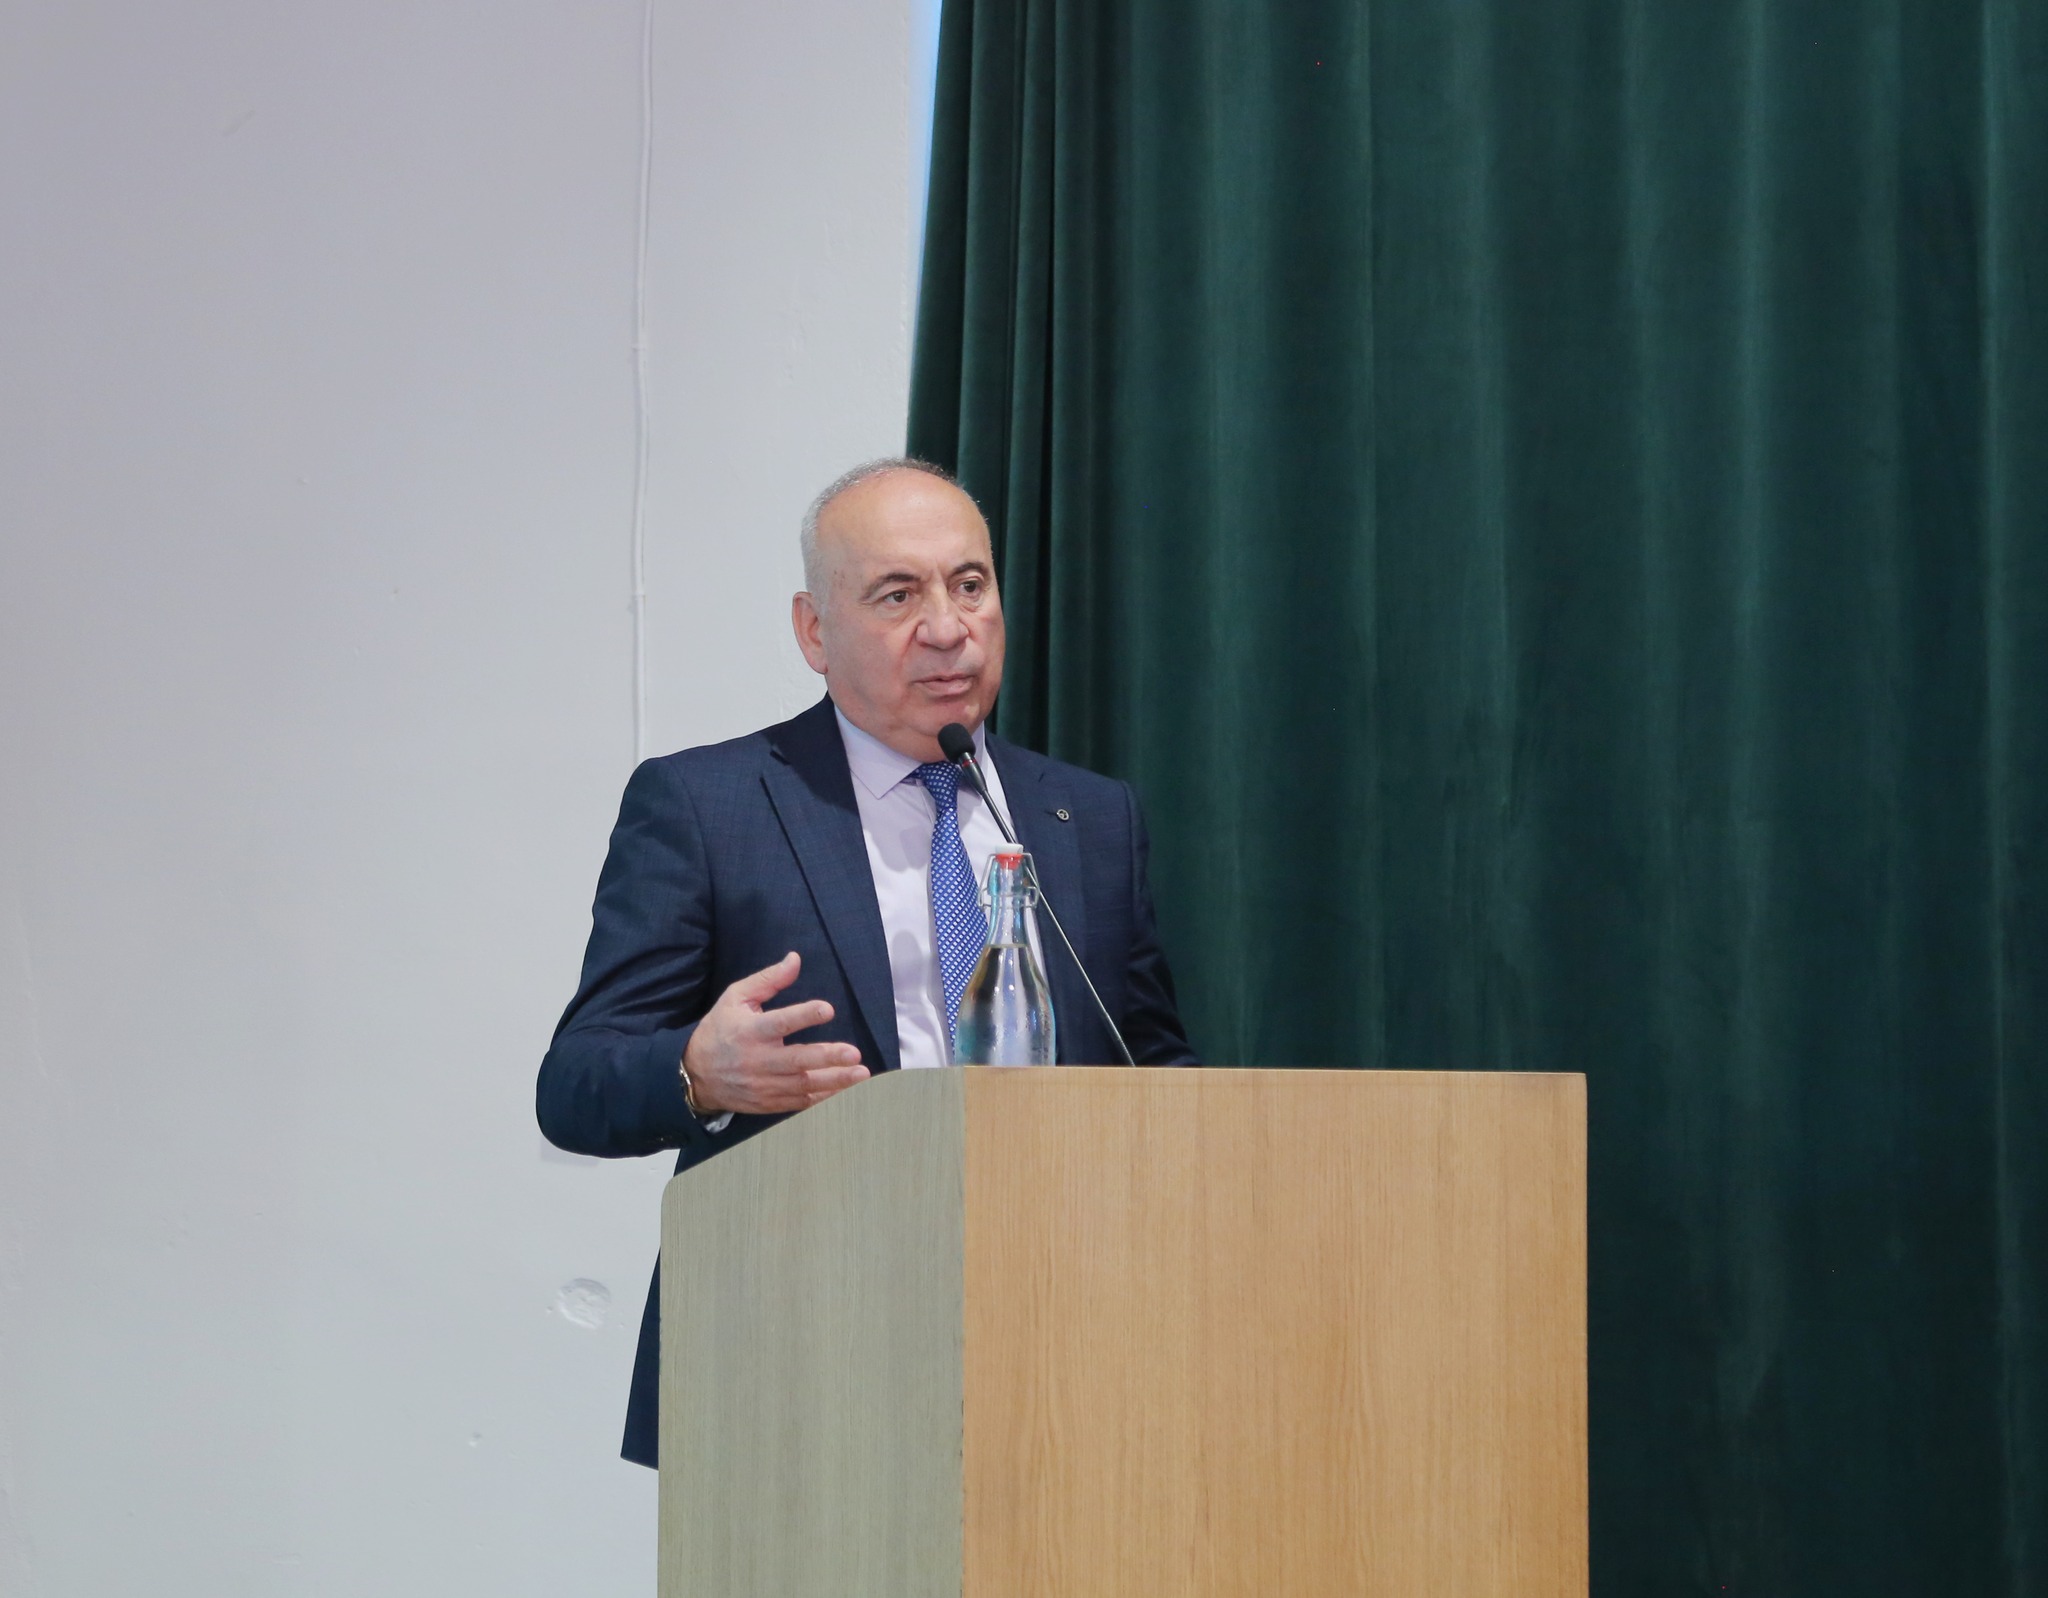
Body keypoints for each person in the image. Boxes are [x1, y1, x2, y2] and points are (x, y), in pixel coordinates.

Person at [536, 458, 1197, 1467]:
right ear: (814, 632)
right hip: (801, 1351)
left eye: (969, 584)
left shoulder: (1090, 815)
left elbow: (1154, 1068)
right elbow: (575, 1083)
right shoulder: (708, 806)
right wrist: (698, 1072)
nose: (947, 627)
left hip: (1065, 1335)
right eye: (897, 595)